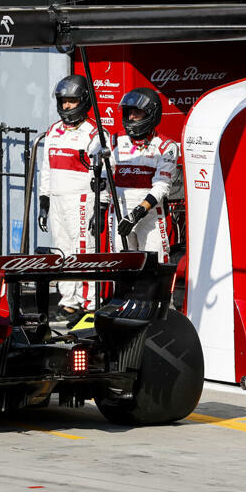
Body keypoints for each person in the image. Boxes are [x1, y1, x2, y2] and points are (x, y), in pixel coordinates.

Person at [37, 74, 111, 323]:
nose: (67, 106)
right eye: (63, 101)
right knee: (62, 252)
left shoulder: (95, 133)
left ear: (83, 100)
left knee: (84, 252)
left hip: (82, 200)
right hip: (57, 200)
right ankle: (69, 302)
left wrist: (101, 208)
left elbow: (106, 175)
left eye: (71, 100)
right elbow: (46, 169)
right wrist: (44, 201)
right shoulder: (53, 131)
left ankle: (89, 304)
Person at [111, 88, 179, 262]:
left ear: (151, 113)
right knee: (122, 268)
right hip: (120, 212)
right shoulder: (114, 141)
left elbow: (162, 185)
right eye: (129, 112)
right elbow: (106, 177)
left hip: (150, 216)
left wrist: (137, 213)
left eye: (137, 112)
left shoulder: (166, 146)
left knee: (154, 267)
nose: (132, 117)